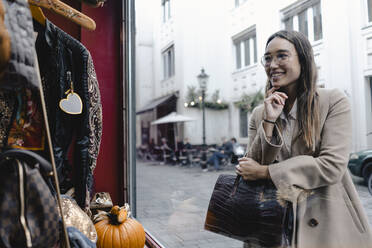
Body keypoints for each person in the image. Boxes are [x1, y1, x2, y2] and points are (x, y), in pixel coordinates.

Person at [236, 30, 372, 248]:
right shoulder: (259, 113)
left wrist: (266, 172)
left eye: (282, 55)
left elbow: (331, 166)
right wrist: (269, 122)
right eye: (268, 58)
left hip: (328, 224)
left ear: (303, 58)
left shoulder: (333, 101)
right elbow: (248, 169)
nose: (273, 64)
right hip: (271, 225)